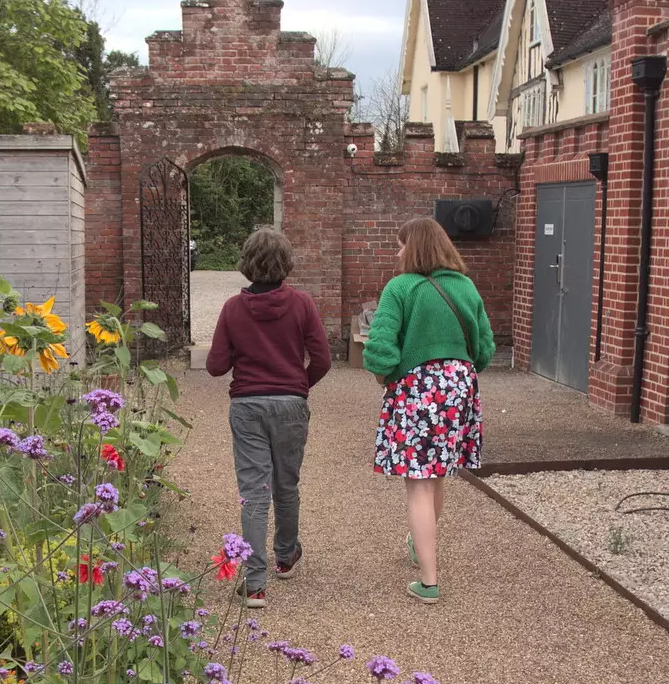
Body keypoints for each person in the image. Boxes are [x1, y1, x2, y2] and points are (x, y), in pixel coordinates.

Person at [362, 216, 494, 603]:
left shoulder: (400, 287)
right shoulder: (466, 287)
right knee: (437, 474)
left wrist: (386, 376)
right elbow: (484, 347)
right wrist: (460, 373)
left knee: (418, 483)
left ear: (416, 247)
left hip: (417, 388)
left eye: (402, 244)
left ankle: (429, 582)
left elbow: (380, 346)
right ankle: (420, 543)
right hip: (459, 386)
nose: (398, 251)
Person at [206, 227, 331, 608]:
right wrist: (298, 385)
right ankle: (286, 555)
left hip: (247, 406)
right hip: (291, 404)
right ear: (287, 264)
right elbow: (323, 359)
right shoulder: (302, 304)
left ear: (246, 264)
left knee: (254, 492)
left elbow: (215, 366)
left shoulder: (232, 308)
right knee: (286, 484)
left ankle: (255, 583)